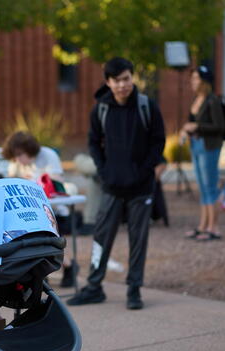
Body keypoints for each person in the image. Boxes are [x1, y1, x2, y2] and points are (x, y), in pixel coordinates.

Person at [67, 57, 165, 309]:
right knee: (101, 237)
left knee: (138, 240)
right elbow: (93, 143)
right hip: (110, 186)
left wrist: (144, 172)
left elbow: (158, 143)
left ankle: (134, 289)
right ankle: (94, 287)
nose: (122, 85)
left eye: (126, 79)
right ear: (108, 82)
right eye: (117, 80)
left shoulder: (146, 106)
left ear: (132, 78)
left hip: (141, 188)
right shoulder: (101, 109)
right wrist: (104, 171)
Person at [2, 131, 77, 287]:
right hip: (29, 211)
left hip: (53, 210)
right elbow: (9, 180)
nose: (17, 160)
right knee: (37, 245)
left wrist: (31, 182)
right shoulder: (16, 160)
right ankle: (43, 274)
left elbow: (56, 182)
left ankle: (68, 266)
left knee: (50, 245)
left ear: (29, 150)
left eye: (19, 155)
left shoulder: (48, 155)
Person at [181, 65, 225, 242]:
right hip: (196, 145)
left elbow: (219, 126)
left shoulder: (213, 101)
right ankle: (203, 225)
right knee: (202, 186)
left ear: (204, 81)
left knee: (210, 185)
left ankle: (214, 227)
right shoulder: (197, 99)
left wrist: (197, 127)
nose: (193, 82)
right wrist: (186, 130)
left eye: (196, 78)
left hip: (209, 147)